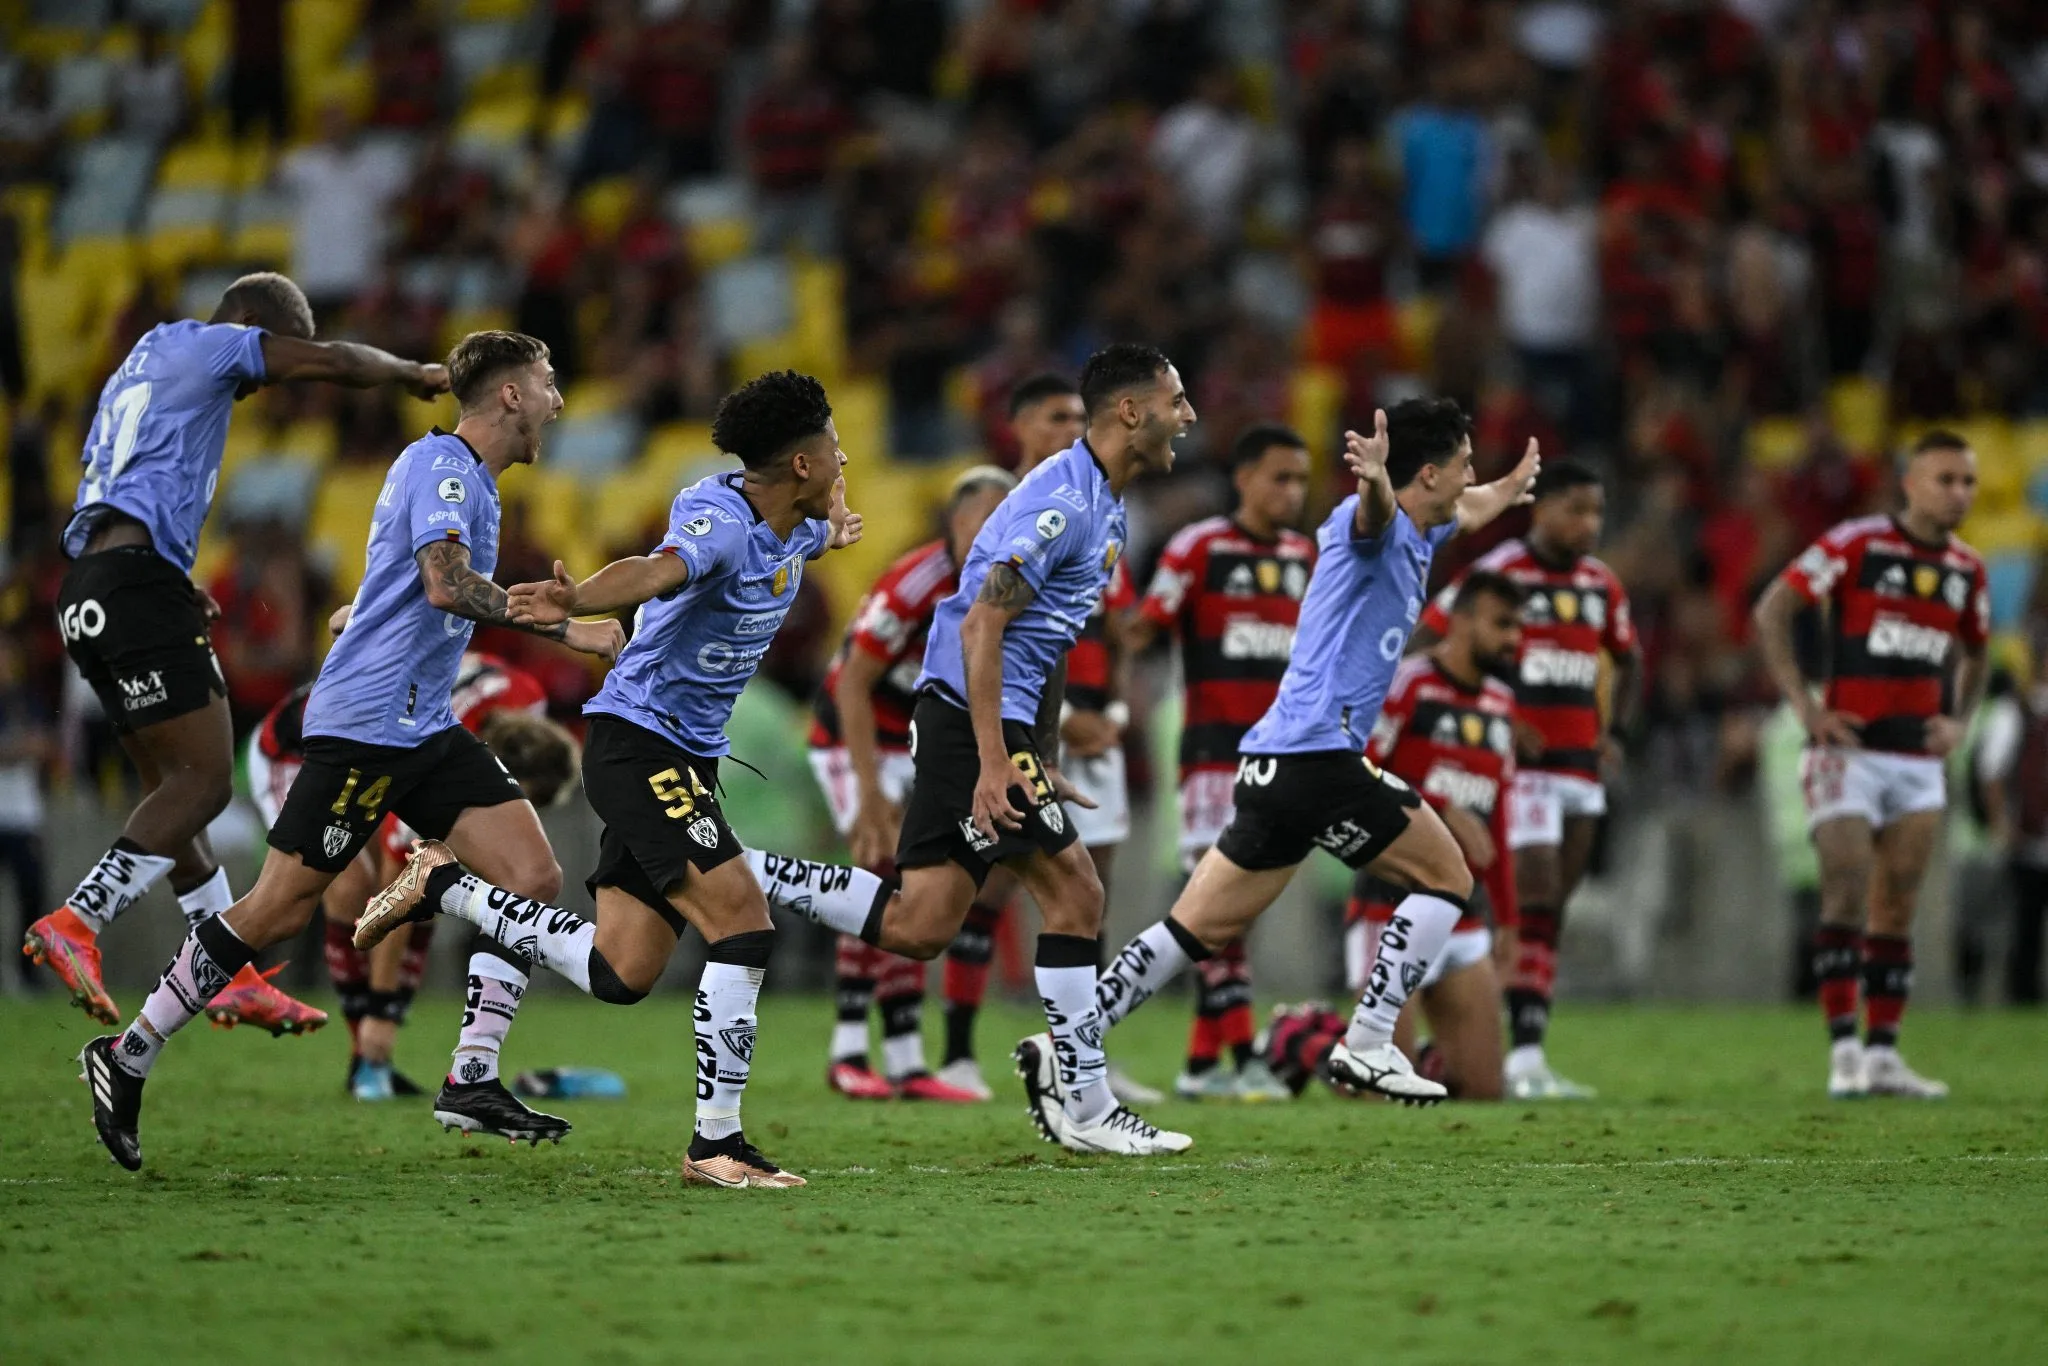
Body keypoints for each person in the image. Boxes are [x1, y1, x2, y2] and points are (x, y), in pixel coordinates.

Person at [75, 330, 623, 1171]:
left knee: (530, 875)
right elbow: (444, 582)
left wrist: (384, 612)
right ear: (509, 395)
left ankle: (471, 1072)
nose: (559, 398)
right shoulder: (442, 465)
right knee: (275, 910)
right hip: (367, 724)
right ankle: (129, 1054)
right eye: (548, 382)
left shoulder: (468, 480)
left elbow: (414, 589)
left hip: (422, 724)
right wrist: (557, 623)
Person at [354, 368, 863, 1190]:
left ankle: (448, 885)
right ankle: (716, 1144)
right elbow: (659, 570)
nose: (845, 457)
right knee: (742, 919)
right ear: (800, 464)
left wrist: (833, 523)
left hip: (683, 754)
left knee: (621, 973)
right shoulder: (722, 517)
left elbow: (815, 519)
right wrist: (577, 597)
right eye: (832, 446)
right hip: (640, 747)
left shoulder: (795, 523)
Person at [744, 345, 1198, 1156]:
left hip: (987, 723)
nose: (1188, 416)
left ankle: (745, 869)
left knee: (922, 923)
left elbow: (1048, 642)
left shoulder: (1107, 505)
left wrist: (1040, 750)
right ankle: (1086, 1105)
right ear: (1131, 411)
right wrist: (996, 757)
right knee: (1076, 897)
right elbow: (983, 624)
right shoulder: (1060, 503)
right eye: (1176, 399)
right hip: (967, 717)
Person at [1073, 396, 1541, 1144]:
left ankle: (1067, 1038)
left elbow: (1470, 507)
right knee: (1448, 876)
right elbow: (1376, 511)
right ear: (1427, 473)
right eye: (1463, 467)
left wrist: (1511, 485)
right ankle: (1369, 1042)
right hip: (1321, 754)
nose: (1471, 479)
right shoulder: (1374, 526)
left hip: (1272, 762)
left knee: (1196, 929)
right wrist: (1378, 481)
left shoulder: (1429, 526)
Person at [26, 272, 448, 1032]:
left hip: (89, 589)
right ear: (252, 322)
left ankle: (226, 973)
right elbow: (336, 364)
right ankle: (77, 921)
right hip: (134, 586)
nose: (255, 389)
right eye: (272, 352)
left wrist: (169, 582)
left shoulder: (141, 363)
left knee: (170, 791)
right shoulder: (216, 346)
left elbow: (123, 491)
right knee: (206, 781)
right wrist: (410, 373)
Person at [1752, 430, 1989, 1099]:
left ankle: (1884, 1054)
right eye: (1946, 479)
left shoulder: (1966, 570)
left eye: (1968, 482)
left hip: (1915, 758)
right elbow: (1774, 608)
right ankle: (1844, 1052)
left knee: (1898, 903)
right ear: (1910, 482)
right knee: (1848, 890)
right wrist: (1805, 704)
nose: (1960, 493)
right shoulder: (1857, 545)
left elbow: (1976, 651)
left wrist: (1960, 719)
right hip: (1846, 753)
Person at [246, 650, 575, 1099]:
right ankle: (364, 1048)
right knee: (346, 887)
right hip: (294, 749)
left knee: (435, 876)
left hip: (368, 744)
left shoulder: (526, 702)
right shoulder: (438, 747)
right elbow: (398, 885)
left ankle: (371, 1056)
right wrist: (384, 1011)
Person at [1411, 461, 1640, 1099]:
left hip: (1577, 765)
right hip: (1518, 771)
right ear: (1541, 511)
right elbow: (1430, 642)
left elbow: (1632, 660)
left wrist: (1615, 733)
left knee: (1551, 909)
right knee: (1530, 891)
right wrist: (1481, 711)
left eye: (1596, 512)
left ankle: (1528, 1050)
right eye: (1575, 509)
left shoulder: (1600, 585)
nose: (1587, 524)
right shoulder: (1499, 575)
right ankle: (1499, 1047)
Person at [806, 465, 1015, 1102]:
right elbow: (852, 683)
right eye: (981, 522)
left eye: (1003, 524)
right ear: (955, 524)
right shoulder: (919, 581)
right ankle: (847, 1049)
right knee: (879, 870)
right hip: (855, 734)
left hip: (921, 745)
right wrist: (868, 791)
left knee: (915, 887)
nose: (992, 537)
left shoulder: (1007, 586)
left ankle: (903, 1059)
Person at [1127, 423, 1315, 1101]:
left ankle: (1203, 1065)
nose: (1291, 493)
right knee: (1217, 903)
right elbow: (1142, 629)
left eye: (1300, 480)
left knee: (1242, 910)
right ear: (1244, 479)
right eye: (1279, 478)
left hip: (1282, 755)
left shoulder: (1306, 556)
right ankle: (1242, 1053)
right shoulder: (1198, 549)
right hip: (1213, 754)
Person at [1008, 372, 1158, 1106]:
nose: (1070, 426)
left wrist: (1117, 718)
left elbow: (1113, 636)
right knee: (953, 902)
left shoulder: (1105, 515)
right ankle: (931, 1050)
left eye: (1077, 415)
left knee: (1086, 893)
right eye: (1056, 415)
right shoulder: (1021, 510)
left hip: (1092, 735)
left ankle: (1080, 1054)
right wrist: (1060, 727)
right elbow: (999, 631)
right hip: (1020, 729)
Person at [1346, 572, 1527, 1100]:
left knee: (1484, 1091)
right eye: (1502, 624)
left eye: (1518, 627)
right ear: (1463, 621)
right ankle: (1300, 1041)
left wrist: (1510, 919)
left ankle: (1420, 1057)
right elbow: (1358, 775)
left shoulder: (1500, 705)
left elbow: (1498, 822)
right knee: (1378, 1089)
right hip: (1390, 909)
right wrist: (1442, 808)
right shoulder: (1408, 685)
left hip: (1465, 918)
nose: (1513, 639)